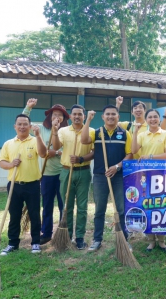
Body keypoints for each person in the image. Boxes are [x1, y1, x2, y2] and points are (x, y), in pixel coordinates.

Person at [81, 105, 133, 252]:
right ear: (103, 117)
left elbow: (130, 154)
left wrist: (117, 167)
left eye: (113, 114)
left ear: (118, 117)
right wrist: (88, 120)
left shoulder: (125, 134)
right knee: (99, 209)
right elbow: (84, 140)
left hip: (118, 176)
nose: (110, 117)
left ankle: (123, 239)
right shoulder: (97, 133)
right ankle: (97, 239)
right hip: (100, 176)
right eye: (107, 114)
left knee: (121, 209)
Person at [22, 98, 69, 245]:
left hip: (63, 172)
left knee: (63, 205)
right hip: (47, 173)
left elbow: (63, 150)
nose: (57, 117)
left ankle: (64, 231)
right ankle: (46, 233)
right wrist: (28, 108)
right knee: (47, 204)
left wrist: (53, 151)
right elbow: (24, 122)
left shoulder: (66, 131)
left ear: (64, 118)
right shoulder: (41, 129)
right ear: (49, 116)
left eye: (60, 115)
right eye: (54, 114)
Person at [0, 114, 47, 255]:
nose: (22, 126)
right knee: (14, 215)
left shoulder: (35, 140)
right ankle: (13, 243)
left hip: (32, 185)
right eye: (19, 124)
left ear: (30, 126)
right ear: (15, 127)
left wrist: (38, 136)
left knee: (34, 214)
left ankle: (36, 242)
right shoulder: (8, 143)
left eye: (25, 124)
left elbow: (43, 154)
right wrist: (11, 164)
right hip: (14, 185)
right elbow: (2, 162)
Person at [52, 104, 94, 250]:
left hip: (84, 171)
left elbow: (94, 152)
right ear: (70, 116)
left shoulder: (91, 131)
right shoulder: (63, 131)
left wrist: (81, 158)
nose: (77, 116)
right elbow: (56, 147)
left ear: (84, 116)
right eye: (74, 114)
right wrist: (55, 132)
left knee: (82, 207)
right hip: (66, 171)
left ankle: (80, 237)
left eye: (80, 114)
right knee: (66, 206)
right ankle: (67, 235)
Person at [131, 108, 166, 252]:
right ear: (146, 119)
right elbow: (134, 150)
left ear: (159, 119)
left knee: (160, 206)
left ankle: (161, 240)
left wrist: (149, 157)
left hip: (161, 175)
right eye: (150, 117)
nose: (153, 119)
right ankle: (150, 240)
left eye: (155, 117)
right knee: (147, 205)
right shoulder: (143, 134)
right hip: (145, 175)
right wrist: (135, 132)